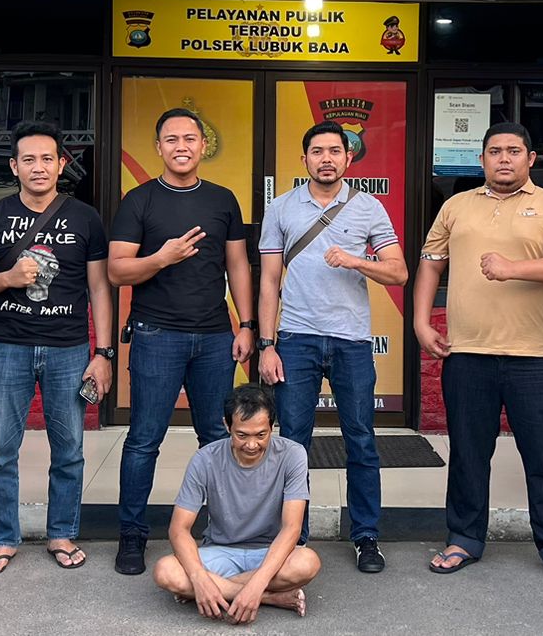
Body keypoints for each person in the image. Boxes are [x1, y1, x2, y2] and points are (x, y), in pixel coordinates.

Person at [412, 122, 543, 589]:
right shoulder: (456, 206)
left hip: (535, 356)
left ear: (531, 159)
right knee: (468, 454)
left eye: (513, 151)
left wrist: (512, 269)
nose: (503, 158)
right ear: (482, 160)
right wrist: (422, 321)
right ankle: (464, 538)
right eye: (494, 151)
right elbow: (430, 262)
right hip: (467, 353)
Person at [0, 121, 114, 575]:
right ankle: (3, 538)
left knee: (69, 449)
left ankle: (61, 533)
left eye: (48, 158)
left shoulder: (85, 218)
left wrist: (103, 354)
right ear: (14, 166)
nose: (39, 167)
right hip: (8, 347)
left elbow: (99, 289)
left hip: (69, 348)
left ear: (62, 164)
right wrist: (7, 278)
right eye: (29, 159)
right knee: (1, 451)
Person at [109, 108, 254, 576]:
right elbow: (117, 270)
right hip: (156, 335)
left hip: (214, 337)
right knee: (144, 440)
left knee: (218, 437)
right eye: (171, 139)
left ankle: (224, 532)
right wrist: (162, 257)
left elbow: (238, 265)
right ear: (159, 147)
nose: (181, 147)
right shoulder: (139, 200)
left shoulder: (222, 199)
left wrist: (246, 324)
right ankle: (132, 535)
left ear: (203, 145)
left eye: (189, 138)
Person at [257, 120, 406, 572]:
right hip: (295, 339)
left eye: (335, 151)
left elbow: (398, 272)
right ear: (304, 159)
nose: (326, 159)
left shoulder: (368, 207)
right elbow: (269, 280)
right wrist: (267, 344)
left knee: (360, 439)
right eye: (318, 151)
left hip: (351, 341)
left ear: (348, 157)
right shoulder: (282, 207)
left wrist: (356, 260)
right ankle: (294, 538)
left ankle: (366, 536)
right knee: (293, 442)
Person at [152, 384, 319, 622]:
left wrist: (257, 583)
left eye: (261, 435)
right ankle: (271, 598)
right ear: (227, 425)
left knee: (307, 562)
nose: (251, 445)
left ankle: (219, 591)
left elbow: (292, 528)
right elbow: (179, 529)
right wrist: (199, 577)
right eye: (242, 435)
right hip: (220, 550)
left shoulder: (293, 455)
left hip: (269, 552)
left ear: (272, 426)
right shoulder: (205, 459)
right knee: (165, 571)